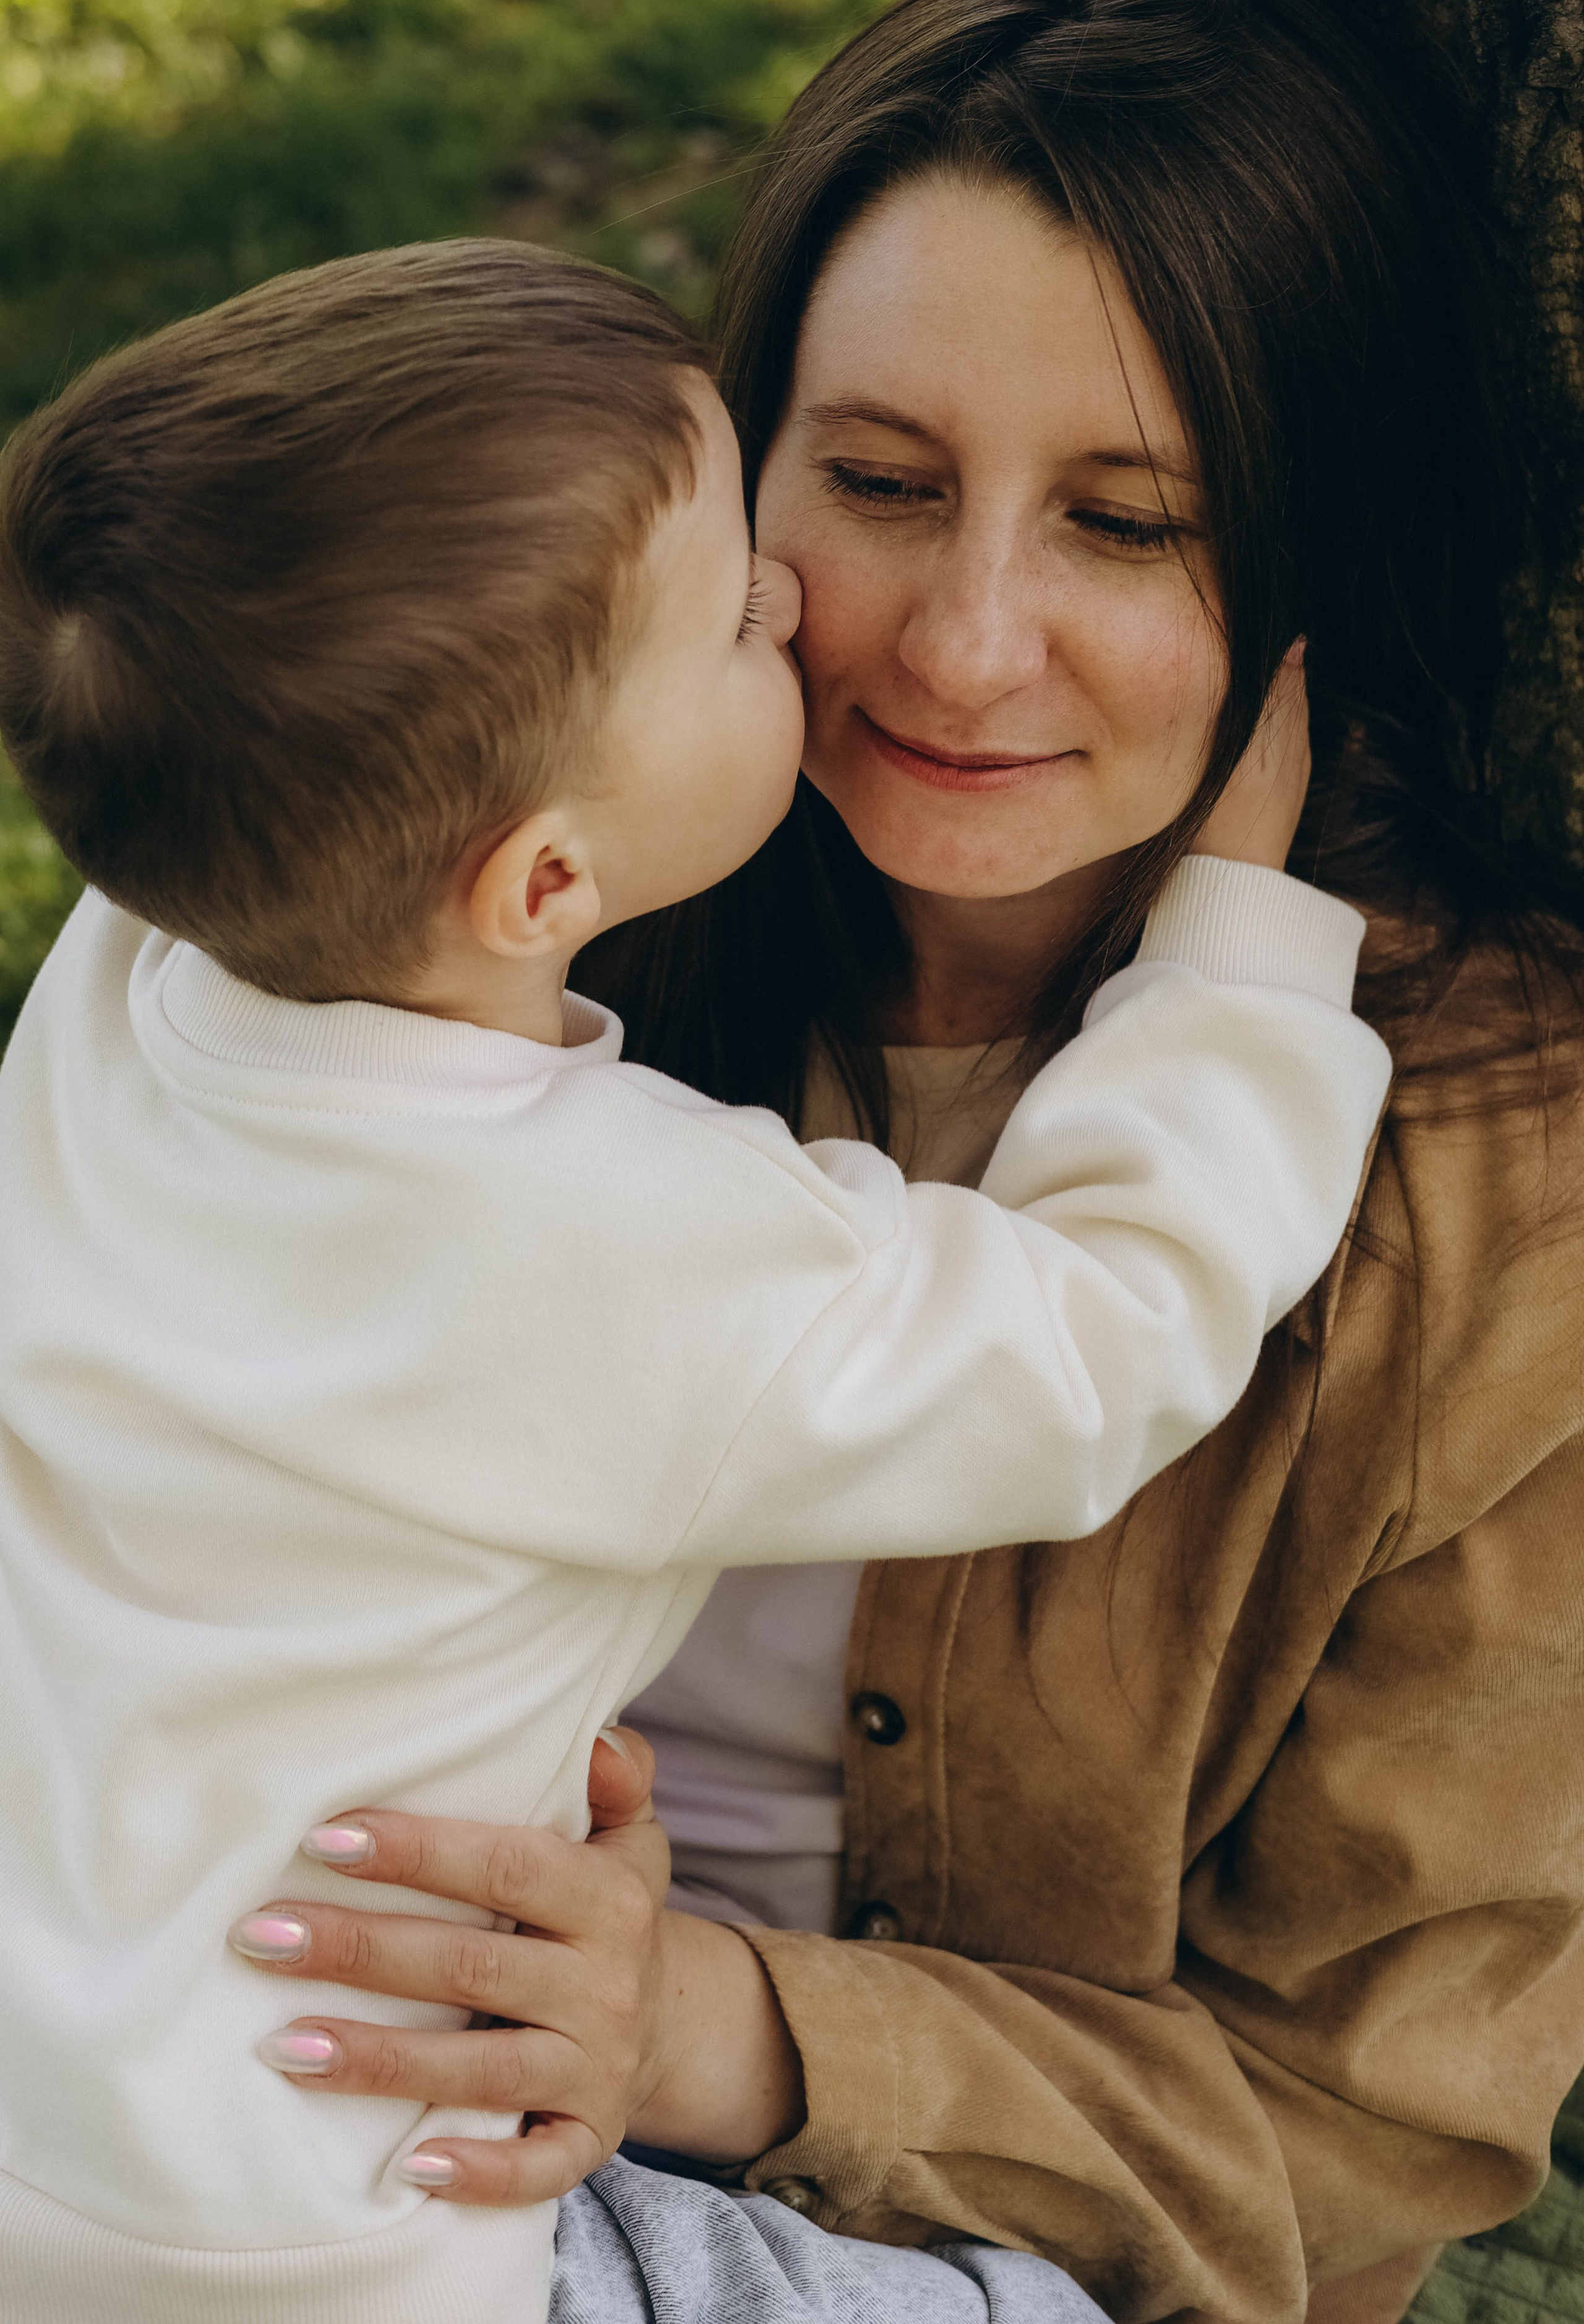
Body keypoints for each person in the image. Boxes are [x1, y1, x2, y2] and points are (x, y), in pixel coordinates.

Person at [215, 0, 1584, 2324]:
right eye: (879, 481)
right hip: (298, 2076)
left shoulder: (1505, 1183)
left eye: (1129, 524)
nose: (961, 645)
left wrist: (705, 2025)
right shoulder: (481, 895)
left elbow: (1367, 2120)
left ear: (1311, 569)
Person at [0, 236, 1386, 2324]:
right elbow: (1105, 1331)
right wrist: (1243, 940)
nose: (799, 604)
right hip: (347, 2221)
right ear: (545, 880)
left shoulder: (123, 992)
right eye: (740, 608)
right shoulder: (617, 1245)